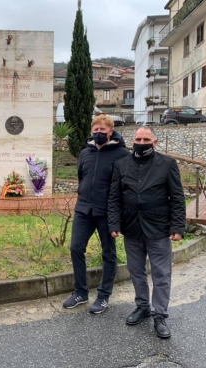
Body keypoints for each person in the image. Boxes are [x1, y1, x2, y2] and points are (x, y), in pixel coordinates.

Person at [108, 126, 186, 339]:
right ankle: (142, 306)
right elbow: (114, 197)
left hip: (158, 229)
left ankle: (159, 314)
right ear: (132, 141)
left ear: (155, 142)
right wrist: (114, 224)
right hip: (131, 228)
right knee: (136, 270)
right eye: (138, 139)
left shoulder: (167, 164)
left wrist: (177, 226)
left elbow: (177, 198)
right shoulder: (121, 164)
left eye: (146, 139)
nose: (142, 142)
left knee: (161, 274)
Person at [63, 114, 130, 314]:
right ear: (92, 131)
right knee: (76, 248)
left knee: (108, 253)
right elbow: (81, 177)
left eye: (103, 130)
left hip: (107, 212)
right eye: (96, 130)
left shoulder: (122, 154)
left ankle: (103, 296)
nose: (99, 133)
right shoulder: (85, 153)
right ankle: (80, 292)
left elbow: (124, 186)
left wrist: (118, 215)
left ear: (111, 131)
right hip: (84, 209)